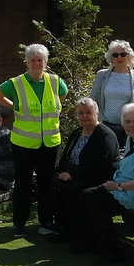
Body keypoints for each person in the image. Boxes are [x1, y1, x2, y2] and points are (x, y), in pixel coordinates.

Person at [0, 43, 68, 238]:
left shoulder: (55, 81)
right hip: (23, 143)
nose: (36, 63)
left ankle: (46, 222)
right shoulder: (16, 83)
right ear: (26, 62)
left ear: (46, 62)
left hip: (50, 142)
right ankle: (19, 224)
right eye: (32, 60)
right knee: (23, 184)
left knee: (46, 183)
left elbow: (63, 94)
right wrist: (13, 105)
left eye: (40, 60)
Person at [75, 103, 134, 264]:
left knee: (93, 201)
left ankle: (112, 252)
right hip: (123, 188)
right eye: (128, 121)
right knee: (85, 195)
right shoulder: (132, 140)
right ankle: (93, 242)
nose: (132, 125)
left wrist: (117, 186)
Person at [52, 98, 119, 237]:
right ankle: (63, 228)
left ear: (97, 113)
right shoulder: (77, 132)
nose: (84, 116)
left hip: (96, 178)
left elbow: (100, 164)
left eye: (88, 112)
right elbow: (66, 155)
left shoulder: (105, 135)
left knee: (72, 192)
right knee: (53, 184)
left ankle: (79, 234)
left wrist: (73, 175)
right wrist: (61, 171)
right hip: (75, 174)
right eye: (81, 113)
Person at [89, 40, 134, 141]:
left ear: (129, 56)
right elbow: (93, 101)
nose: (119, 57)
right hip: (104, 126)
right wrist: (97, 120)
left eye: (123, 54)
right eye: (115, 55)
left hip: (130, 128)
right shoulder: (101, 75)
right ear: (111, 58)